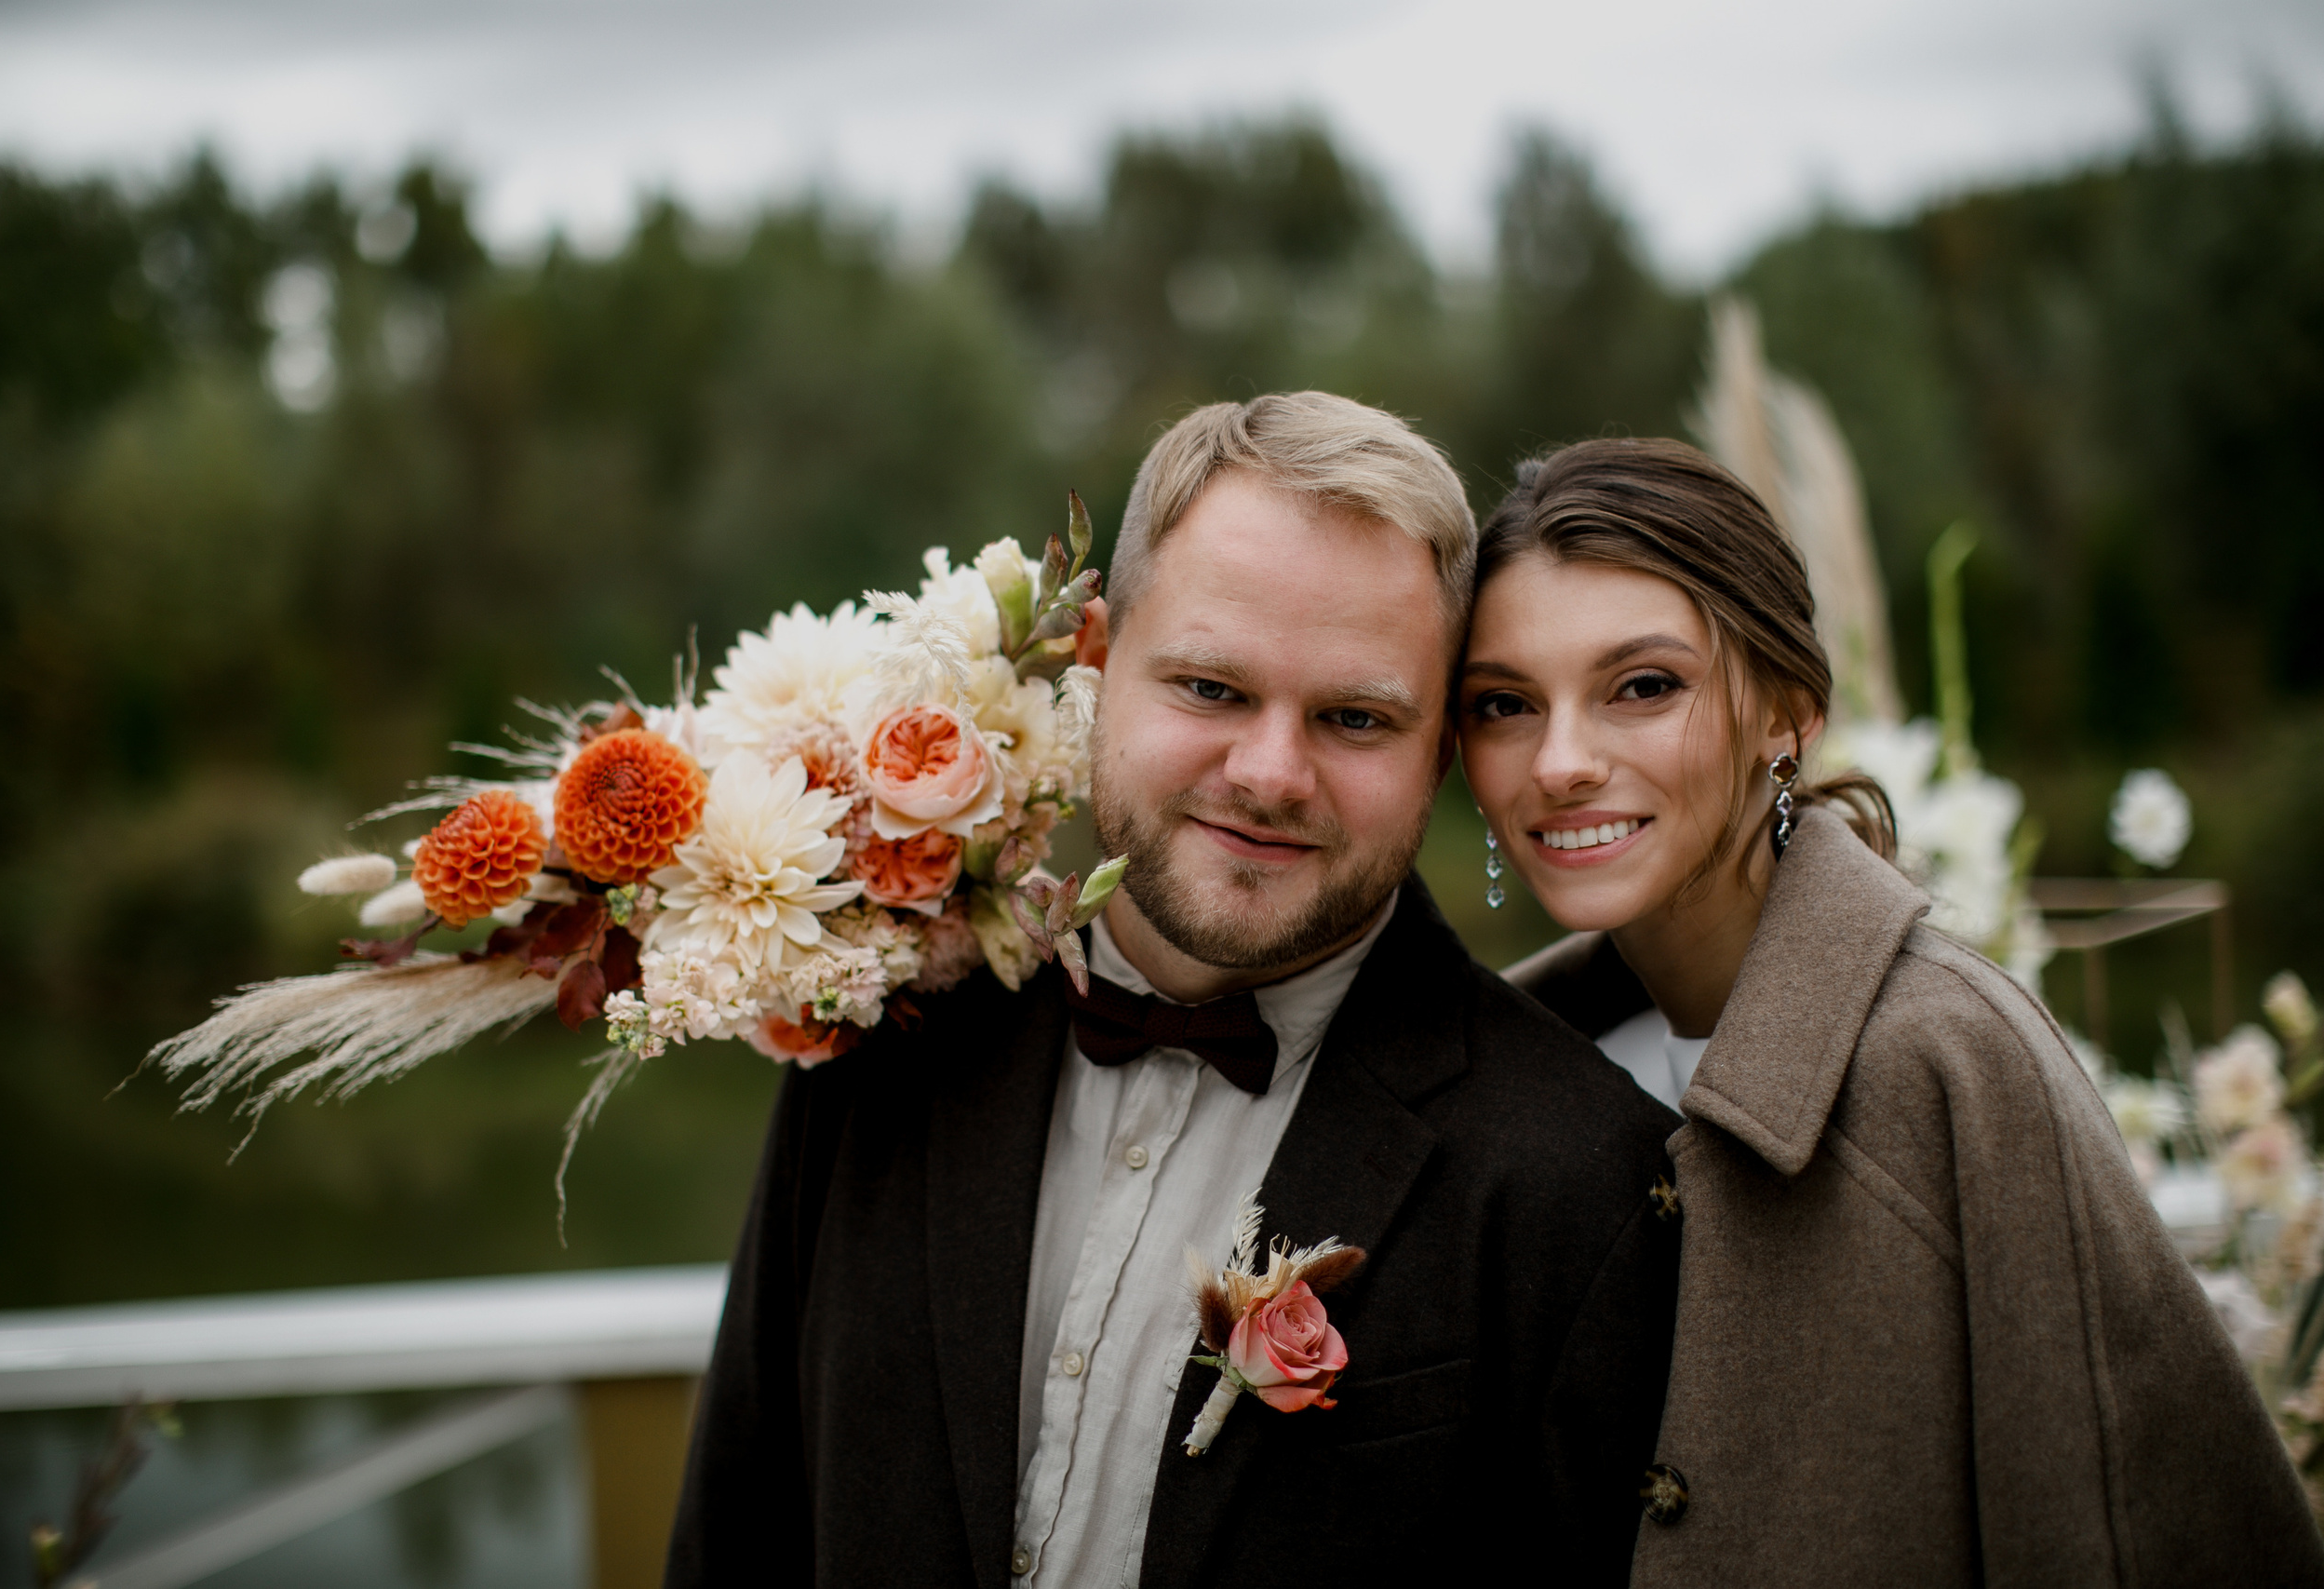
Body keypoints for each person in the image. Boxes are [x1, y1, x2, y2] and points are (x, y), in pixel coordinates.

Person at [665, 394, 1683, 1586]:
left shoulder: (1583, 1177)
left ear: (1439, 756)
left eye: (1354, 718)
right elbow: (737, 1534)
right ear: (1095, 659)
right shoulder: (880, 1027)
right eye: (1209, 689)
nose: (1269, 774)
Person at [1463, 437, 2324, 1587]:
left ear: (1789, 712)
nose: (1559, 762)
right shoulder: (1502, 1089)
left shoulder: (1956, 1065)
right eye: (1504, 704)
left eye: (1643, 686)